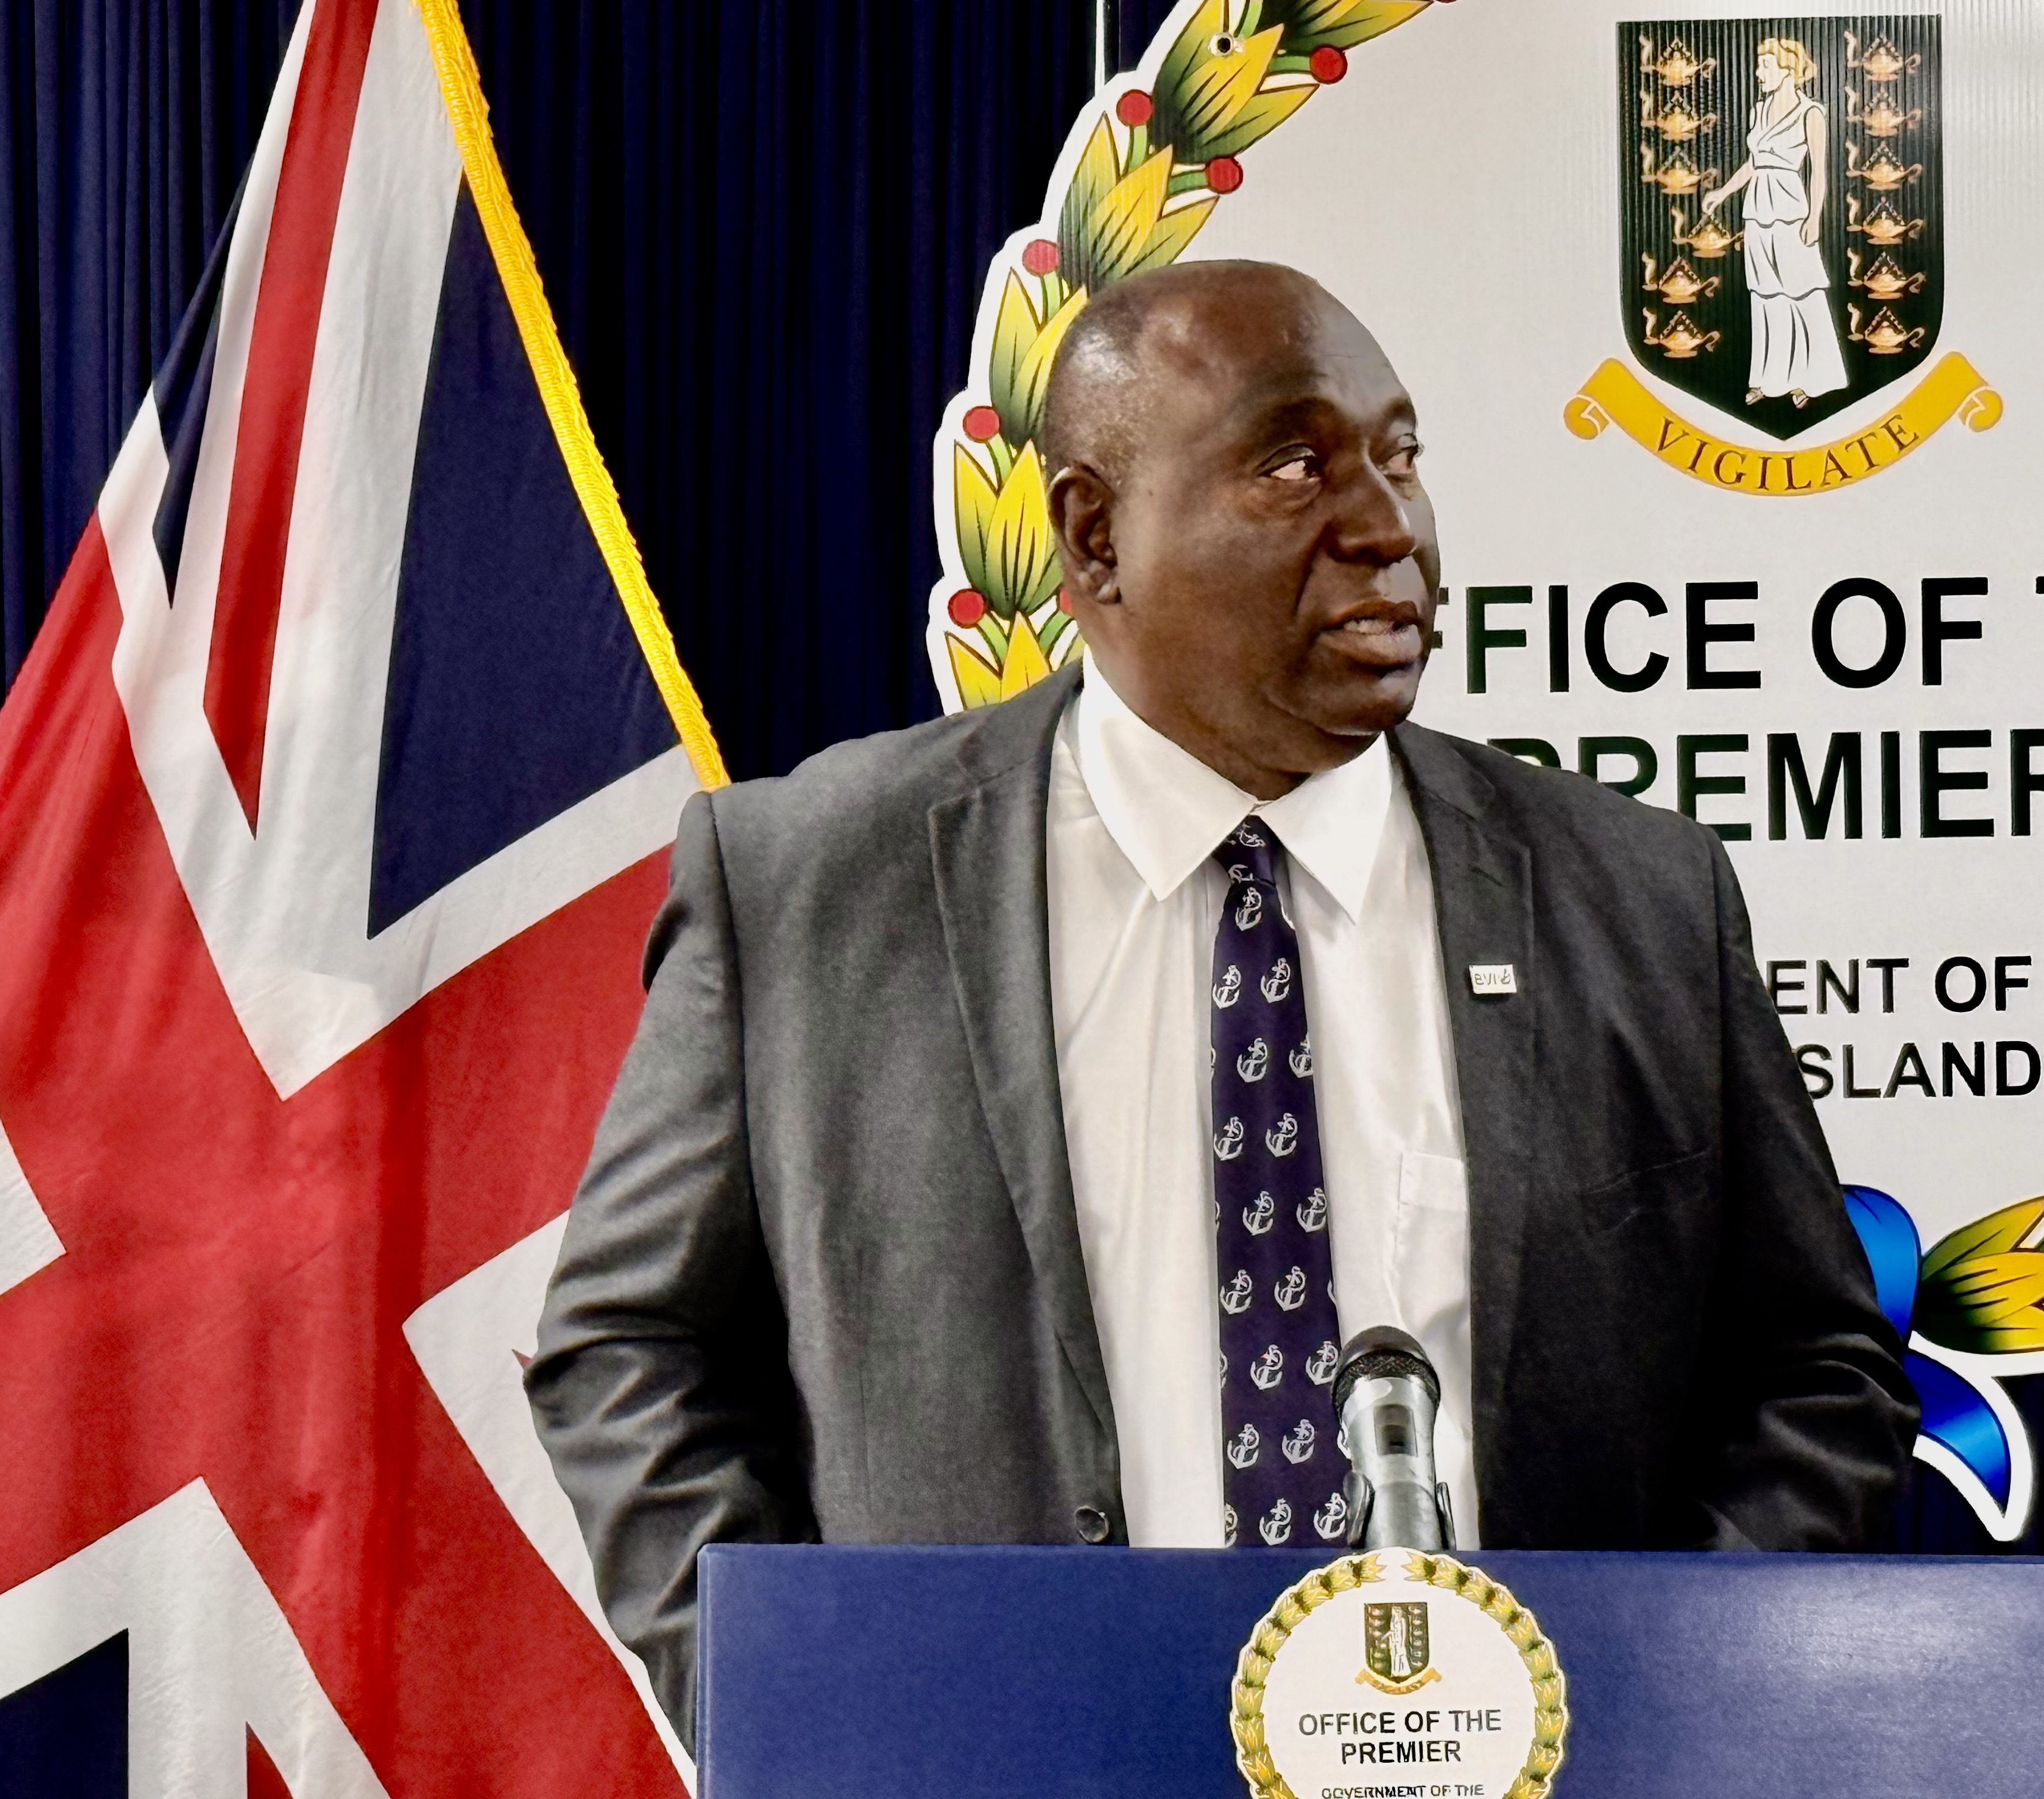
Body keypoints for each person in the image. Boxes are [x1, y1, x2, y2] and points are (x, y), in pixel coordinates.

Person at [525, 259, 1916, 1745]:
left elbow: (1813, 1370)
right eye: (1295, 465)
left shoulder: (1637, 895)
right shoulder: (809, 885)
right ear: (1096, 536)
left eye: (1400, 457)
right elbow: (631, 1351)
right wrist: (798, 1710)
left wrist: (1660, 1704)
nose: (1389, 529)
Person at [1702, 37, 1849, 406]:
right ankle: (1770, 379)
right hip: (1757, 211)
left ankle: (1813, 378)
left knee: (1801, 291)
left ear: (1788, 70)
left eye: (1766, 65)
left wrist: (1814, 217)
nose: (1758, 73)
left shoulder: (1811, 113)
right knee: (1765, 293)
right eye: (1759, 65)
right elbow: (1754, 163)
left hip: (1791, 211)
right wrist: (1722, 193)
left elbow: (1818, 172)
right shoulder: (1759, 110)